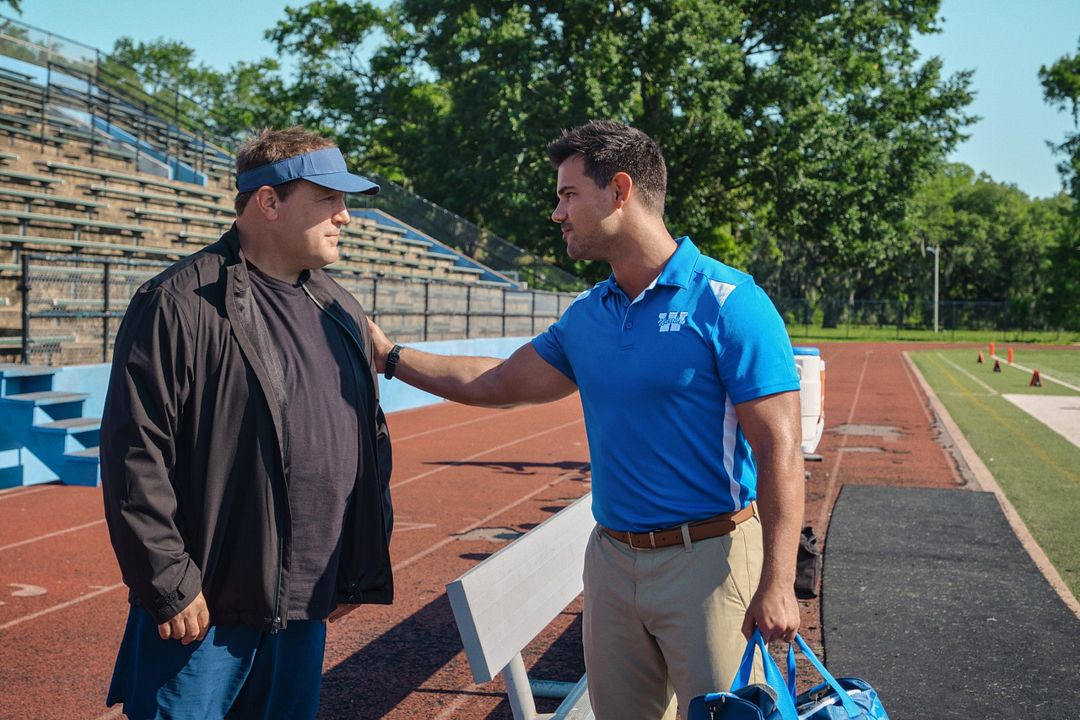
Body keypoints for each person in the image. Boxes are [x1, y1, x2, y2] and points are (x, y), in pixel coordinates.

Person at [367, 119, 803, 718]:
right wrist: (391, 357)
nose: (557, 213)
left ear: (620, 190)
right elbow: (497, 382)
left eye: (568, 195)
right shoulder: (588, 315)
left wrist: (778, 579)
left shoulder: (730, 302)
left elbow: (780, 450)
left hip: (709, 562)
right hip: (611, 563)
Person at [100, 126, 394, 720]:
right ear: (269, 202)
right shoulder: (179, 303)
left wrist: (353, 570)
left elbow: (367, 439)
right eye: (329, 199)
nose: (345, 216)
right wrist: (168, 583)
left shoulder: (340, 307)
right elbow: (135, 455)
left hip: (307, 601)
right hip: (208, 609)